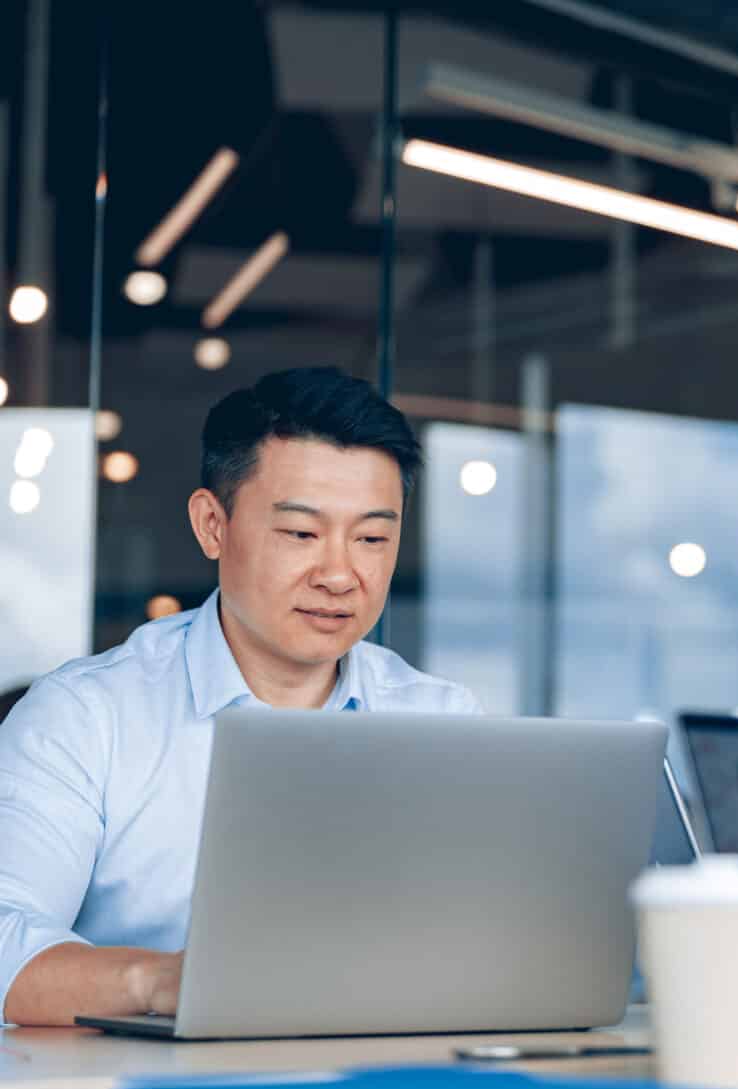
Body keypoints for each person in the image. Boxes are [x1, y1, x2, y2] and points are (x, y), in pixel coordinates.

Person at [0, 367, 480, 1028]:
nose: (340, 575)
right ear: (212, 526)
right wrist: (168, 980)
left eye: (372, 538)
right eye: (301, 534)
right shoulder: (86, 717)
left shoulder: (446, 724)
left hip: (387, 1087)